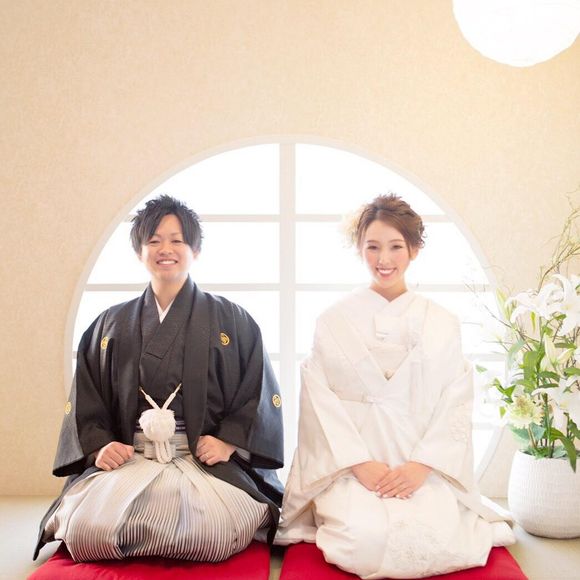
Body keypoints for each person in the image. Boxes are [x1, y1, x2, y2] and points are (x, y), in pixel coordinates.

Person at [35, 195, 284, 562]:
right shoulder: (109, 324)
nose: (165, 249)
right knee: (85, 530)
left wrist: (229, 442)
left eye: (177, 240)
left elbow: (257, 392)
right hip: (132, 455)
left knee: (212, 532)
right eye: (154, 241)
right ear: (140, 252)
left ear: (195, 250)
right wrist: (100, 446)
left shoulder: (233, 320)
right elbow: (86, 398)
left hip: (202, 459)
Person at [276, 194, 514, 579]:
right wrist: (361, 464)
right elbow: (319, 402)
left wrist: (421, 466)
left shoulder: (442, 322)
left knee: (440, 536)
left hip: (421, 465)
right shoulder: (332, 320)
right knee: (364, 541)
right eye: (372, 247)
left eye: (395, 247)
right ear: (359, 249)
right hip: (351, 467)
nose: (383, 259)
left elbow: (455, 400)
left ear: (414, 250)